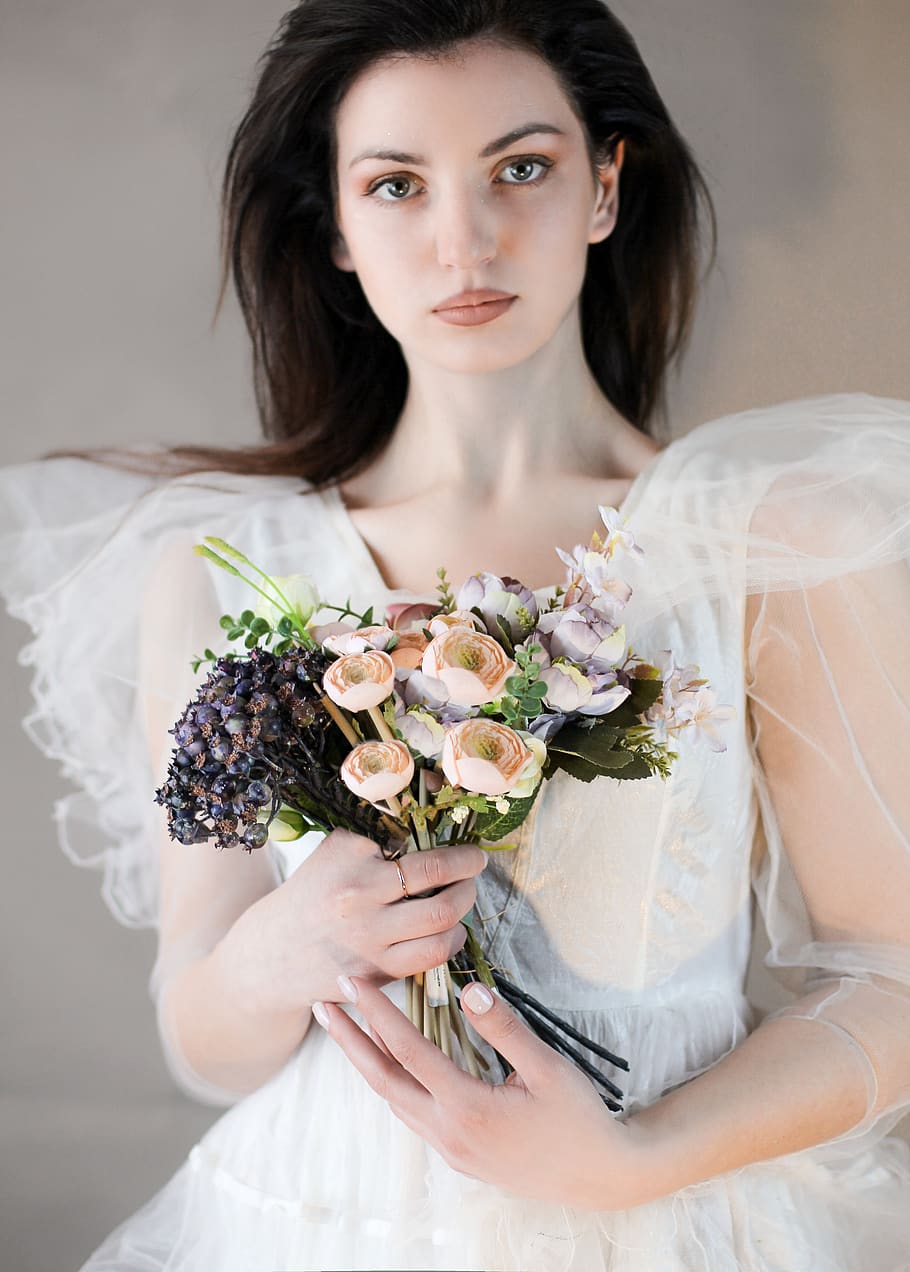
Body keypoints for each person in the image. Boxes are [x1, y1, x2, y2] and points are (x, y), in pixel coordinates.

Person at [1, 1, 909, 1268]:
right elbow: (200, 1037)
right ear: (333, 230)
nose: (463, 238)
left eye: (520, 168)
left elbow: (890, 978)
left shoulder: (763, 543)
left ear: (604, 186)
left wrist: (629, 1160)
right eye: (394, 184)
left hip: (673, 1216)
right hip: (314, 1219)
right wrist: (284, 950)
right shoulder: (225, 576)